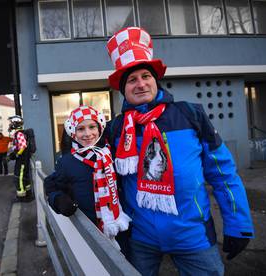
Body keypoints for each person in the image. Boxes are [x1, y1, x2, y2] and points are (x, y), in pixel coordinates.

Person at [104, 27, 254, 275]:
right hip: (140, 237)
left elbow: (223, 173)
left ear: (156, 80)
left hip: (192, 236)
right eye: (132, 80)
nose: (140, 84)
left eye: (145, 76)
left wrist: (238, 224)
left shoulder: (190, 114)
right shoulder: (116, 128)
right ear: (124, 89)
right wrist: (57, 190)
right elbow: (88, 164)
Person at [44, 106, 131, 245]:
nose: (88, 133)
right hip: (89, 232)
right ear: (73, 132)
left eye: (92, 127)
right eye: (81, 129)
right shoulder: (66, 161)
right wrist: (59, 200)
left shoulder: (113, 155)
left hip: (121, 228)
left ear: (100, 129)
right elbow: (53, 187)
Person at [8, 115, 33, 201]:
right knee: (24, 177)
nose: (10, 125)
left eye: (11, 123)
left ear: (16, 124)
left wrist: (17, 154)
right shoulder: (18, 133)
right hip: (23, 159)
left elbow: (23, 146)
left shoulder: (19, 134)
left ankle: (22, 197)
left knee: (19, 177)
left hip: (22, 159)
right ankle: (28, 194)